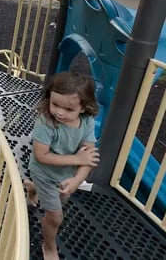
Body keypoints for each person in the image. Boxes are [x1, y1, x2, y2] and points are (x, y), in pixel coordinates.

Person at [24, 72, 100, 260]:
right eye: (55, 104)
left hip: (65, 176)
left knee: (60, 197)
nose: (59, 112)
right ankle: (49, 246)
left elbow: (88, 158)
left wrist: (76, 181)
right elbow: (41, 155)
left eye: (68, 109)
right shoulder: (46, 121)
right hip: (43, 173)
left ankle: (32, 188)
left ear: (83, 108)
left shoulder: (87, 122)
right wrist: (76, 159)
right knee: (56, 216)